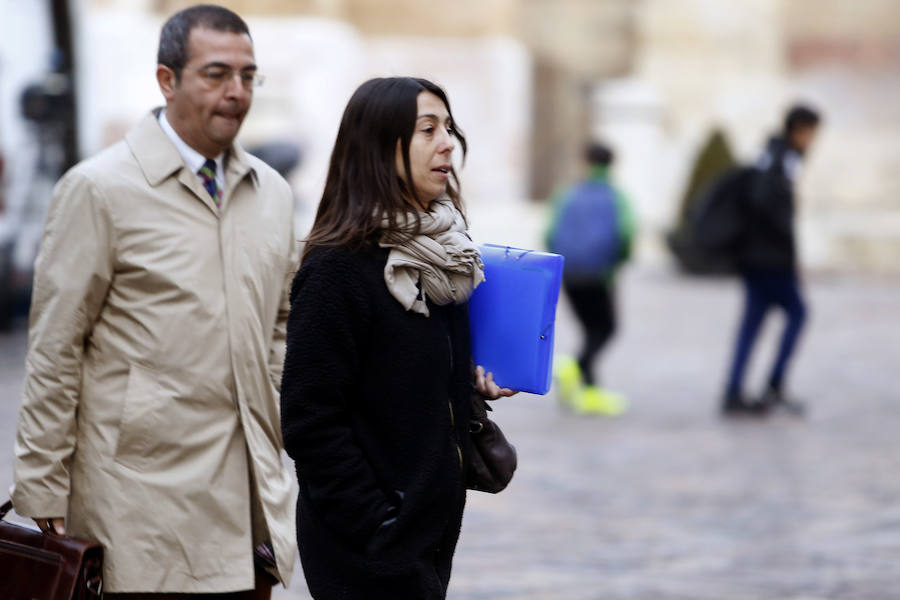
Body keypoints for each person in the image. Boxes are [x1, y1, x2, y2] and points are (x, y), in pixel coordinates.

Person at [11, 5, 297, 597]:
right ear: (167, 80)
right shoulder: (98, 189)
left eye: (248, 77)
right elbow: (55, 346)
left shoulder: (271, 194)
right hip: (138, 501)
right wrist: (42, 486)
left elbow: (279, 324)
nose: (236, 92)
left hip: (247, 502)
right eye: (216, 74)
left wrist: (269, 411)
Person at [280, 77, 515, 599]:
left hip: (425, 536)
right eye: (427, 129)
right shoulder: (339, 268)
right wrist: (380, 526)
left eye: (448, 127)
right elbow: (309, 419)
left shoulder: (443, 260)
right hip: (368, 549)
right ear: (379, 149)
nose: (447, 143)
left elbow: (405, 383)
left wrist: (471, 388)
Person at [722, 104, 821, 416]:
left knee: (751, 324)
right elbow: (767, 206)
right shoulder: (784, 159)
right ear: (800, 130)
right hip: (771, 261)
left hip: (756, 258)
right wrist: (787, 253)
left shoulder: (769, 154)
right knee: (797, 313)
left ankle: (734, 390)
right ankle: (774, 383)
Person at [546, 142, 635, 415]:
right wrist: (615, 264)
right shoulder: (616, 196)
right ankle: (574, 368)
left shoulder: (568, 194)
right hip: (598, 276)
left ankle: (589, 389)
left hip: (570, 274)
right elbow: (626, 234)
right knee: (606, 328)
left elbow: (550, 233)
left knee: (590, 330)